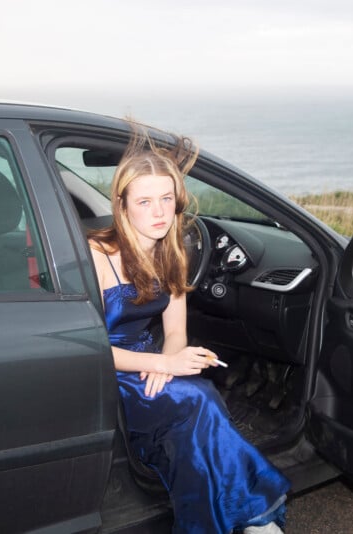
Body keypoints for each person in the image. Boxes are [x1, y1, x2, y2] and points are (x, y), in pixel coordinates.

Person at [88, 124, 290, 534]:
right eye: (145, 201)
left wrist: (172, 359)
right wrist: (163, 362)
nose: (159, 212)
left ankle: (238, 518)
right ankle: (254, 515)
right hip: (108, 372)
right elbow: (90, 347)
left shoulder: (173, 253)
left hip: (149, 362)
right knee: (198, 402)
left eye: (166, 199)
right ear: (123, 204)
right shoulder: (98, 255)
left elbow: (175, 329)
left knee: (198, 400)